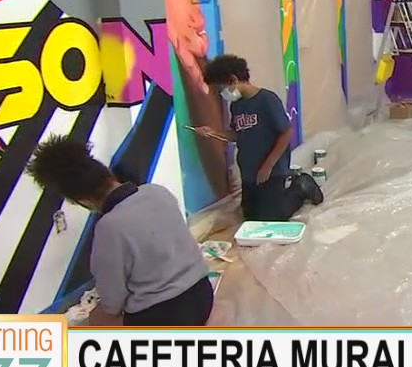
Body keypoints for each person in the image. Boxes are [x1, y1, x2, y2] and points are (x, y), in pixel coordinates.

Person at [25, 134, 214, 326]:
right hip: (203, 295)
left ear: (82, 200)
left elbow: (112, 303)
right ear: (106, 172)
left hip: (166, 317)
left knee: (97, 319)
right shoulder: (157, 191)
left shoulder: (109, 227)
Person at [197, 54, 322, 221]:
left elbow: (286, 133)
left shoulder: (267, 100)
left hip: (272, 172)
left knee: (272, 218)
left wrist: (268, 165)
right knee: (250, 218)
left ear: (233, 80)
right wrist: (213, 132)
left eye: (222, 88)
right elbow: (237, 134)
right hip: (249, 172)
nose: (222, 94)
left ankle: (301, 187)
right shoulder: (236, 106)